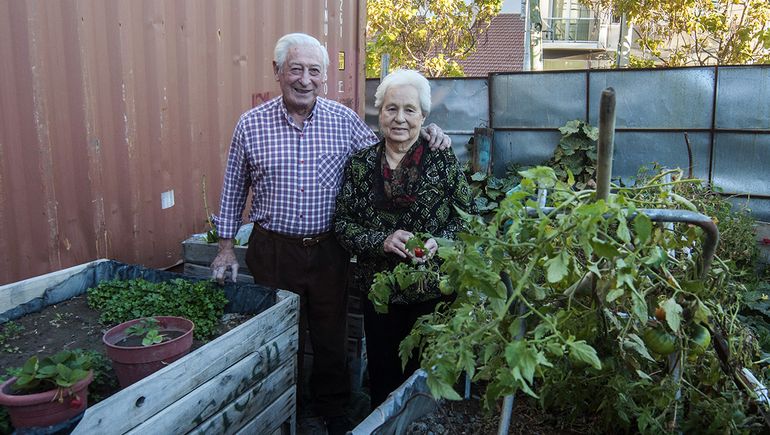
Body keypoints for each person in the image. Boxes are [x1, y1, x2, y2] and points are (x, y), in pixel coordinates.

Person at [209, 33, 450, 434]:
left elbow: (388, 149)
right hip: (273, 249)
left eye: (314, 71)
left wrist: (424, 132)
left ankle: (332, 408)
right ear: (278, 72)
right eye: (296, 69)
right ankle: (279, 403)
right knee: (278, 333)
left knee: (330, 332)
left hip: (327, 250)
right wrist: (224, 249)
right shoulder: (251, 125)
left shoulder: (343, 121)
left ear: (324, 78)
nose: (305, 79)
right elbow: (234, 185)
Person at [334, 69, 475, 409]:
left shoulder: (441, 159)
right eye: (390, 108)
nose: (399, 118)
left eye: (409, 110)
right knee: (383, 375)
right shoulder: (360, 164)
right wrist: (381, 240)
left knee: (424, 376)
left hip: (432, 293)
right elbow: (342, 224)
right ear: (379, 112)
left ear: (423, 116)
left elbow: (468, 220)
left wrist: (438, 243)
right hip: (379, 294)